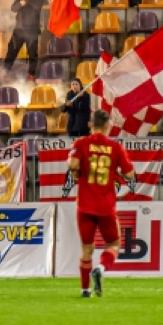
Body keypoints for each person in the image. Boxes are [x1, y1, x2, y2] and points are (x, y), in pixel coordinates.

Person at [67, 109, 136, 298]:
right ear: (107, 125)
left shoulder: (81, 143)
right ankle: (101, 267)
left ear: (91, 124)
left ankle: (84, 290)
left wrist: (77, 172)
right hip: (106, 206)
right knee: (114, 243)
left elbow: (72, 165)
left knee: (86, 249)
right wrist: (116, 171)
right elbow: (130, 174)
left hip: (85, 206)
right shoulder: (115, 147)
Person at [3, 0, 44, 80]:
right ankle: (5, 72)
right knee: (12, 51)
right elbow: (13, 8)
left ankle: (31, 75)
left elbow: (36, 6)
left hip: (32, 30)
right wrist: (22, 2)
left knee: (32, 54)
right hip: (19, 29)